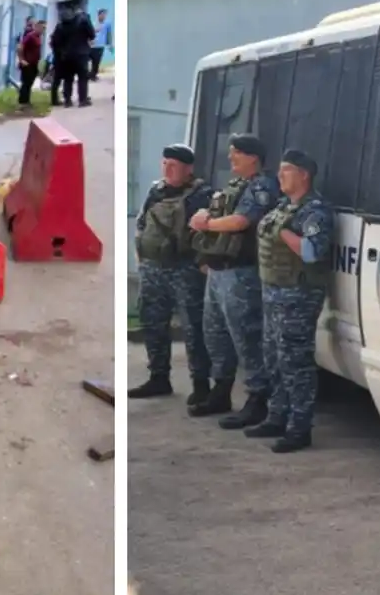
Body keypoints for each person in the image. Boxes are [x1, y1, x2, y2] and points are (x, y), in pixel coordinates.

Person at [188, 133, 280, 422]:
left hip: (242, 272)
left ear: (253, 157)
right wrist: (206, 214)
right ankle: (221, 390)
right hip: (219, 270)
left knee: (246, 336)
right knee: (215, 333)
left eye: (236, 153)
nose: (231, 158)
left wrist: (208, 223)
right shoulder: (237, 185)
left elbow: (242, 221)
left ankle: (257, 398)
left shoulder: (263, 186)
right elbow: (221, 212)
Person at [246, 149, 334, 453]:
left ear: (304, 175)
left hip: (298, 296)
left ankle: (300, 428)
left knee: (295, 362)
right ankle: (276, 416)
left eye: (286, 171)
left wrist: (283, 231)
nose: (280, 176)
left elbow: (311, 252)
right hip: (273, 291)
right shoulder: (283, 206)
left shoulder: (315, 212)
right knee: (273, 357)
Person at [129, 144, 215, 404]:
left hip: (184, 269)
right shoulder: (156, 191)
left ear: (188, 169)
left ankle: (201, 384)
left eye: (173, 165)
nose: (167, 168)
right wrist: (141, 255)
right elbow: (143, 222)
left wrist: (203, 263)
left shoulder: (202, 195)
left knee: (193, 328)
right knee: (152, 323)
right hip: (153, 267)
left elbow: (207, 233)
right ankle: (158, 377)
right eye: (164, 163)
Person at [49, 3, 94, 108]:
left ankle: (67, 100)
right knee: (82, 77)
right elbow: (92, 35)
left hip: (66, 56)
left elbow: (55, 42)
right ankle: (82, 100)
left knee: (68, 79)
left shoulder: (60, 25)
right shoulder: (83, 20)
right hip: (81, 54)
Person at [17, 19, 45, 108]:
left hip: (34, 63)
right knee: (26, 82)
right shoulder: (30, 36)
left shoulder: (38, 37)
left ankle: (27, 101)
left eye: (44, 28)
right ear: (37, 27)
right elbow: (20, 47)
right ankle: (22, 102)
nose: (43, 30)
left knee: (30, 82)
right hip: (27, 63)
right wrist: (22, 60)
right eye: (42, 28)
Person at [89, 9, 111, 82]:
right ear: (99, 15)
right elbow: (89, 33)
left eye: (105, 15)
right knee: (91, 61)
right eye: (102, 14)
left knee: (97, 61)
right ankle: (90, 75)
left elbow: (108, 34)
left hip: (101, 45)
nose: (104, 16)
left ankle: (93, 75)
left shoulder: (107, 24)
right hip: (93, 45)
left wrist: (109, 44)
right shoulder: (93, 23)